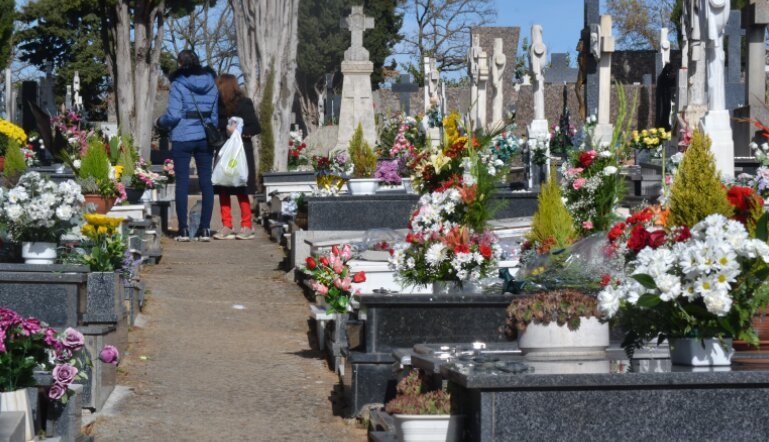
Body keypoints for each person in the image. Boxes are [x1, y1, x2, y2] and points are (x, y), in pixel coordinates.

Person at [156, 50, 218, 242]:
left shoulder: (178, 84)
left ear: (180, 63)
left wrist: (160, 122)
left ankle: (183, 230)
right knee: (206, 181)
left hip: (183, 135)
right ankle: (205, 229)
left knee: (182, 182)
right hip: (204, 136)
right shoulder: (211, 83)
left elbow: (174, 115)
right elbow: (214, 116)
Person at [213, 74, 260, 240]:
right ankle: (226, 225)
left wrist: (239, 130)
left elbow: (255, 126)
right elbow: (215, 124)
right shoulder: (217, 105)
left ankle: (247, 225)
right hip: (223, 150)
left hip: (240, 151)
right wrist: (224, 127)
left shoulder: (244, 103)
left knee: (241, 188)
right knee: (223, 187)